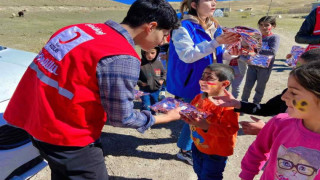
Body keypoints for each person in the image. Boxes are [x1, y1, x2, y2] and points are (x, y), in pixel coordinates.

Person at [3, 0, 181, 179]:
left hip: (33, 122)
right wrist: (166, 117)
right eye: (165, 34)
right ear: (151, 26)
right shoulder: (123, 56)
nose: (164, 41)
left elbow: (71, 76)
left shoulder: (78, 29)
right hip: (68, 138)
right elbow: (123, 118)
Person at [166, 0, 240, 165]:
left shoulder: (215, 25)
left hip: (211, 80)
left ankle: (196, 143)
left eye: (215, 0)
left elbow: (217, 53)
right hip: (193, 81)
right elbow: (187, 55)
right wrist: (216, 42)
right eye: (208, 0)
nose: (214, 3)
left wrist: (231, 53)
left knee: (203, 114)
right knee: (195, 114)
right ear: (194, 4)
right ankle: (185, 150)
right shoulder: (182, 27)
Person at [239, 61, 320, 180]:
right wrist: (247, 175)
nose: (284, 97)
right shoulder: (280, 123)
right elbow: (257, 150)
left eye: (293, 92)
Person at [212, 48, 320, 135]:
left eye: (302, 69)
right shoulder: (290, 92)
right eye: (296, 66)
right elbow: (268, 108)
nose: (284, 97)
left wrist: (269, 131)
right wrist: (238, 104)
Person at [181, 64, 239, 180]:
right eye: (203, 76)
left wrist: (206, 126)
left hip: (216, 152)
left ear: (224, 84)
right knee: (198, 171)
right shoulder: (199, 97)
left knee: (210, 177)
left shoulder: (229, 106)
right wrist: (186, 116)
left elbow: (230, 129)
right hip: (197, 146)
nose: (203, 80)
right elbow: (190, 111)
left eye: (210, 78)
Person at [241, 16, 280, 104]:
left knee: (260, 87)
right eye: (261, 25)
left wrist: (254, 49)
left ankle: (256, 104)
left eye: (266, 25)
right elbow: (246, 50)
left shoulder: (274, 38)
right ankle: (243, 104)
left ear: (273, 26)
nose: (263, 27)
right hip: (252, 65)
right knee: (247, 86)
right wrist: (246, 56)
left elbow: (272, 52)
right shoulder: (255, 37)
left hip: (265, 68)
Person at [137, 47, 166, 113]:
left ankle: (153, 117)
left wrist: (162, 79)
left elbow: (164, 73)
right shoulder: (140, 64)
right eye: (147, 53)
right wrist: (140, 83)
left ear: (157, 53)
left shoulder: (159, 63)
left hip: (156, 90)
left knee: (154, 105)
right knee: (146, 106)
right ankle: (145, 118)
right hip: (144, 90)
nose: (150, 55)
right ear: (143, 53)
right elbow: (135, 76)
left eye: (152, 53)